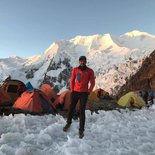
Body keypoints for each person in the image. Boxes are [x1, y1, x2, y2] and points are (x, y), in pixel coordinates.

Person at [63, 56, 95, 138]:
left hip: (84, 93)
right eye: (81, 61)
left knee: (82, 111)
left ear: (86, 62)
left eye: (84, 61)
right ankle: (68, 123)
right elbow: (72, 80)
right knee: (71, 108)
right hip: (75, 92)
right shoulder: (75, 70)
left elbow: (92, 83)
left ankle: (81, 129)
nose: (82, 62)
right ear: (79, 62)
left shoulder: (90, 71)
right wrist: (72, 90)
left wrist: (89, 91)